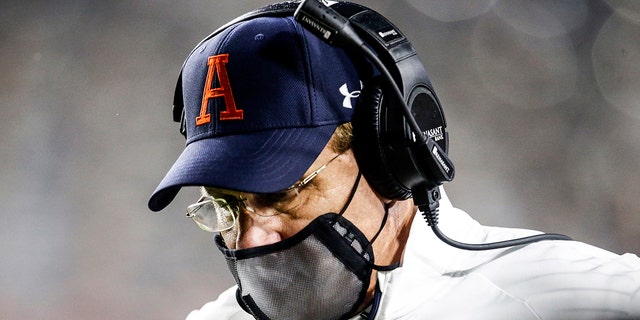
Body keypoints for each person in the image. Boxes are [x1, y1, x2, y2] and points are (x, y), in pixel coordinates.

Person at [148, 1, 640, 319]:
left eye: (279, 192)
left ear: (392, 154)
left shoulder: (572, 301)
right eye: (226, 205)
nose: (251, 239)